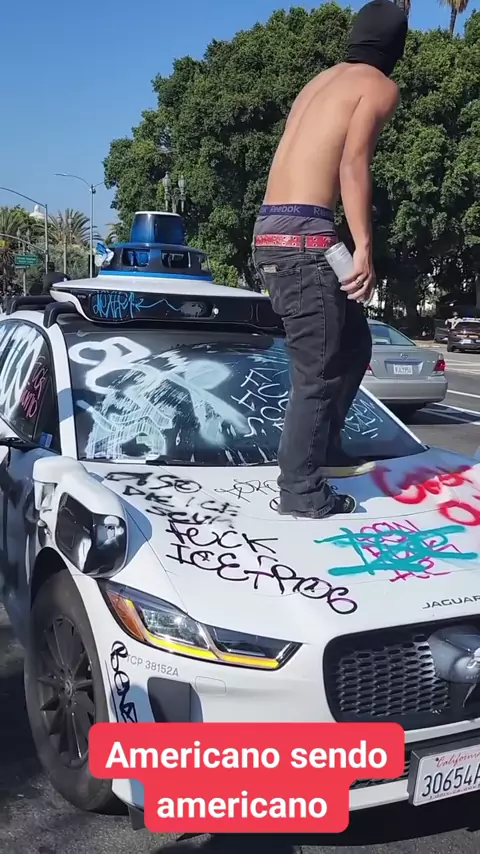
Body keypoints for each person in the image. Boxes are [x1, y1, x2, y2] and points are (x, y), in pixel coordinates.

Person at [252, 0, 408, 519]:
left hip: (278, 232)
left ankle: (327, 449)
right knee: (317, 370)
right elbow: (352, 163)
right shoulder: (379, 85)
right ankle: (301, 491)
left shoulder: (320, 81)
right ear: (394, 47)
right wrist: (364, 245)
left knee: (355, 341)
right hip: (304, 240)